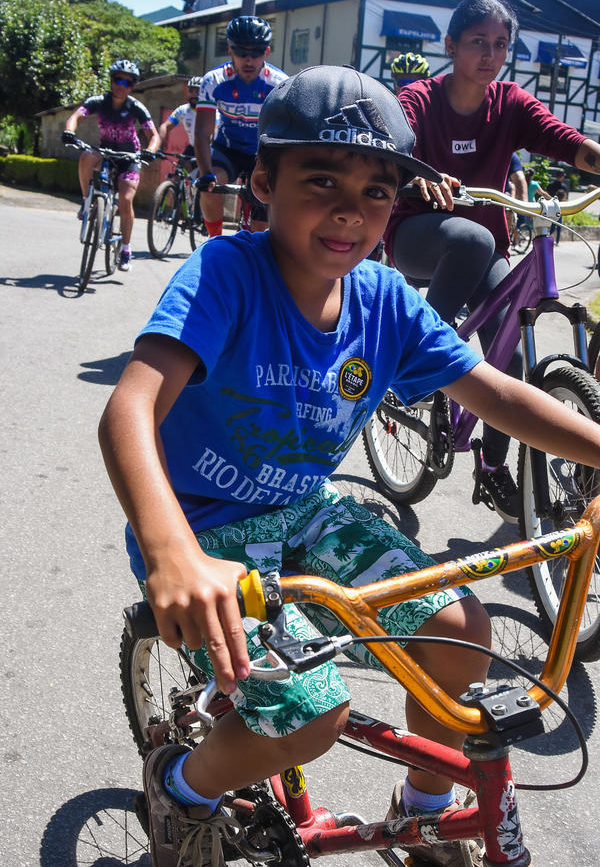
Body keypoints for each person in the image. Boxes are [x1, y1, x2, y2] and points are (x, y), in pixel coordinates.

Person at [98, 64, 600, 867]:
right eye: (321, 179)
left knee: (465, 634)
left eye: (376, 192)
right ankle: (184, 790)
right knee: (309, 716)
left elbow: (501, 396)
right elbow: (129, 409)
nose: (349, 211)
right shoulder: (227, 274)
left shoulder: (387, 300)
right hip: (204, 532)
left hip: (305, 512)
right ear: (263, 181)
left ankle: (428, 816)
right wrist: (171, 553)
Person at [384, 0, 600, 524]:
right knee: (474, 238)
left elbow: (567, 142)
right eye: (478, 42)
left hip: (483, 248)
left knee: (515, 360)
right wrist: (419, 176)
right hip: (418, 235)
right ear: (451, 44)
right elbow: (390, 144)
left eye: (501, 45)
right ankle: (422, 354)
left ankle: (492, 465)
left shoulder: (510, 103)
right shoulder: (418, 97)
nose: (490, 54)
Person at [193, 15, 287, 236]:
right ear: (229, 51)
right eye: (241, 52)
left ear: (267, 52)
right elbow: (202, 132)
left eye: (256, 53)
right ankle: (214, 241)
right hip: (228, 149)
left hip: (262, 153)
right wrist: (206, 173)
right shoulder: (213, 81)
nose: (249, 60)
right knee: (210, 185)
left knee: (259, 229)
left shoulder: (280, 84)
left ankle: (255, 251)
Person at [61, 59, 160, 271]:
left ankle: (125, 248)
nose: (121, 86)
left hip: (129, 157)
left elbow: (154, 135)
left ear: (132, 86)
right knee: (87, 156)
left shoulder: (136, 107)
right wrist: (70, 131)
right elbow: (76, 117)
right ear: (111, 80)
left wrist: (150, 150)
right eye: (117, 80)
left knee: (125, 200)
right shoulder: (98, 101)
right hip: (105, 151)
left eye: (128, 83)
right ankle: (87, 200)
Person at [158, 76, 203, 164]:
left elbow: (214, 131)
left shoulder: (213, 111)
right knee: (179, 173)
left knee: (205, 175)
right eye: (191, 91)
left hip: (210, 149)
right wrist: (157, 145)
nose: (194, 95)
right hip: (192, 148)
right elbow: (165, 126)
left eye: (198, 91)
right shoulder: (183, 110)